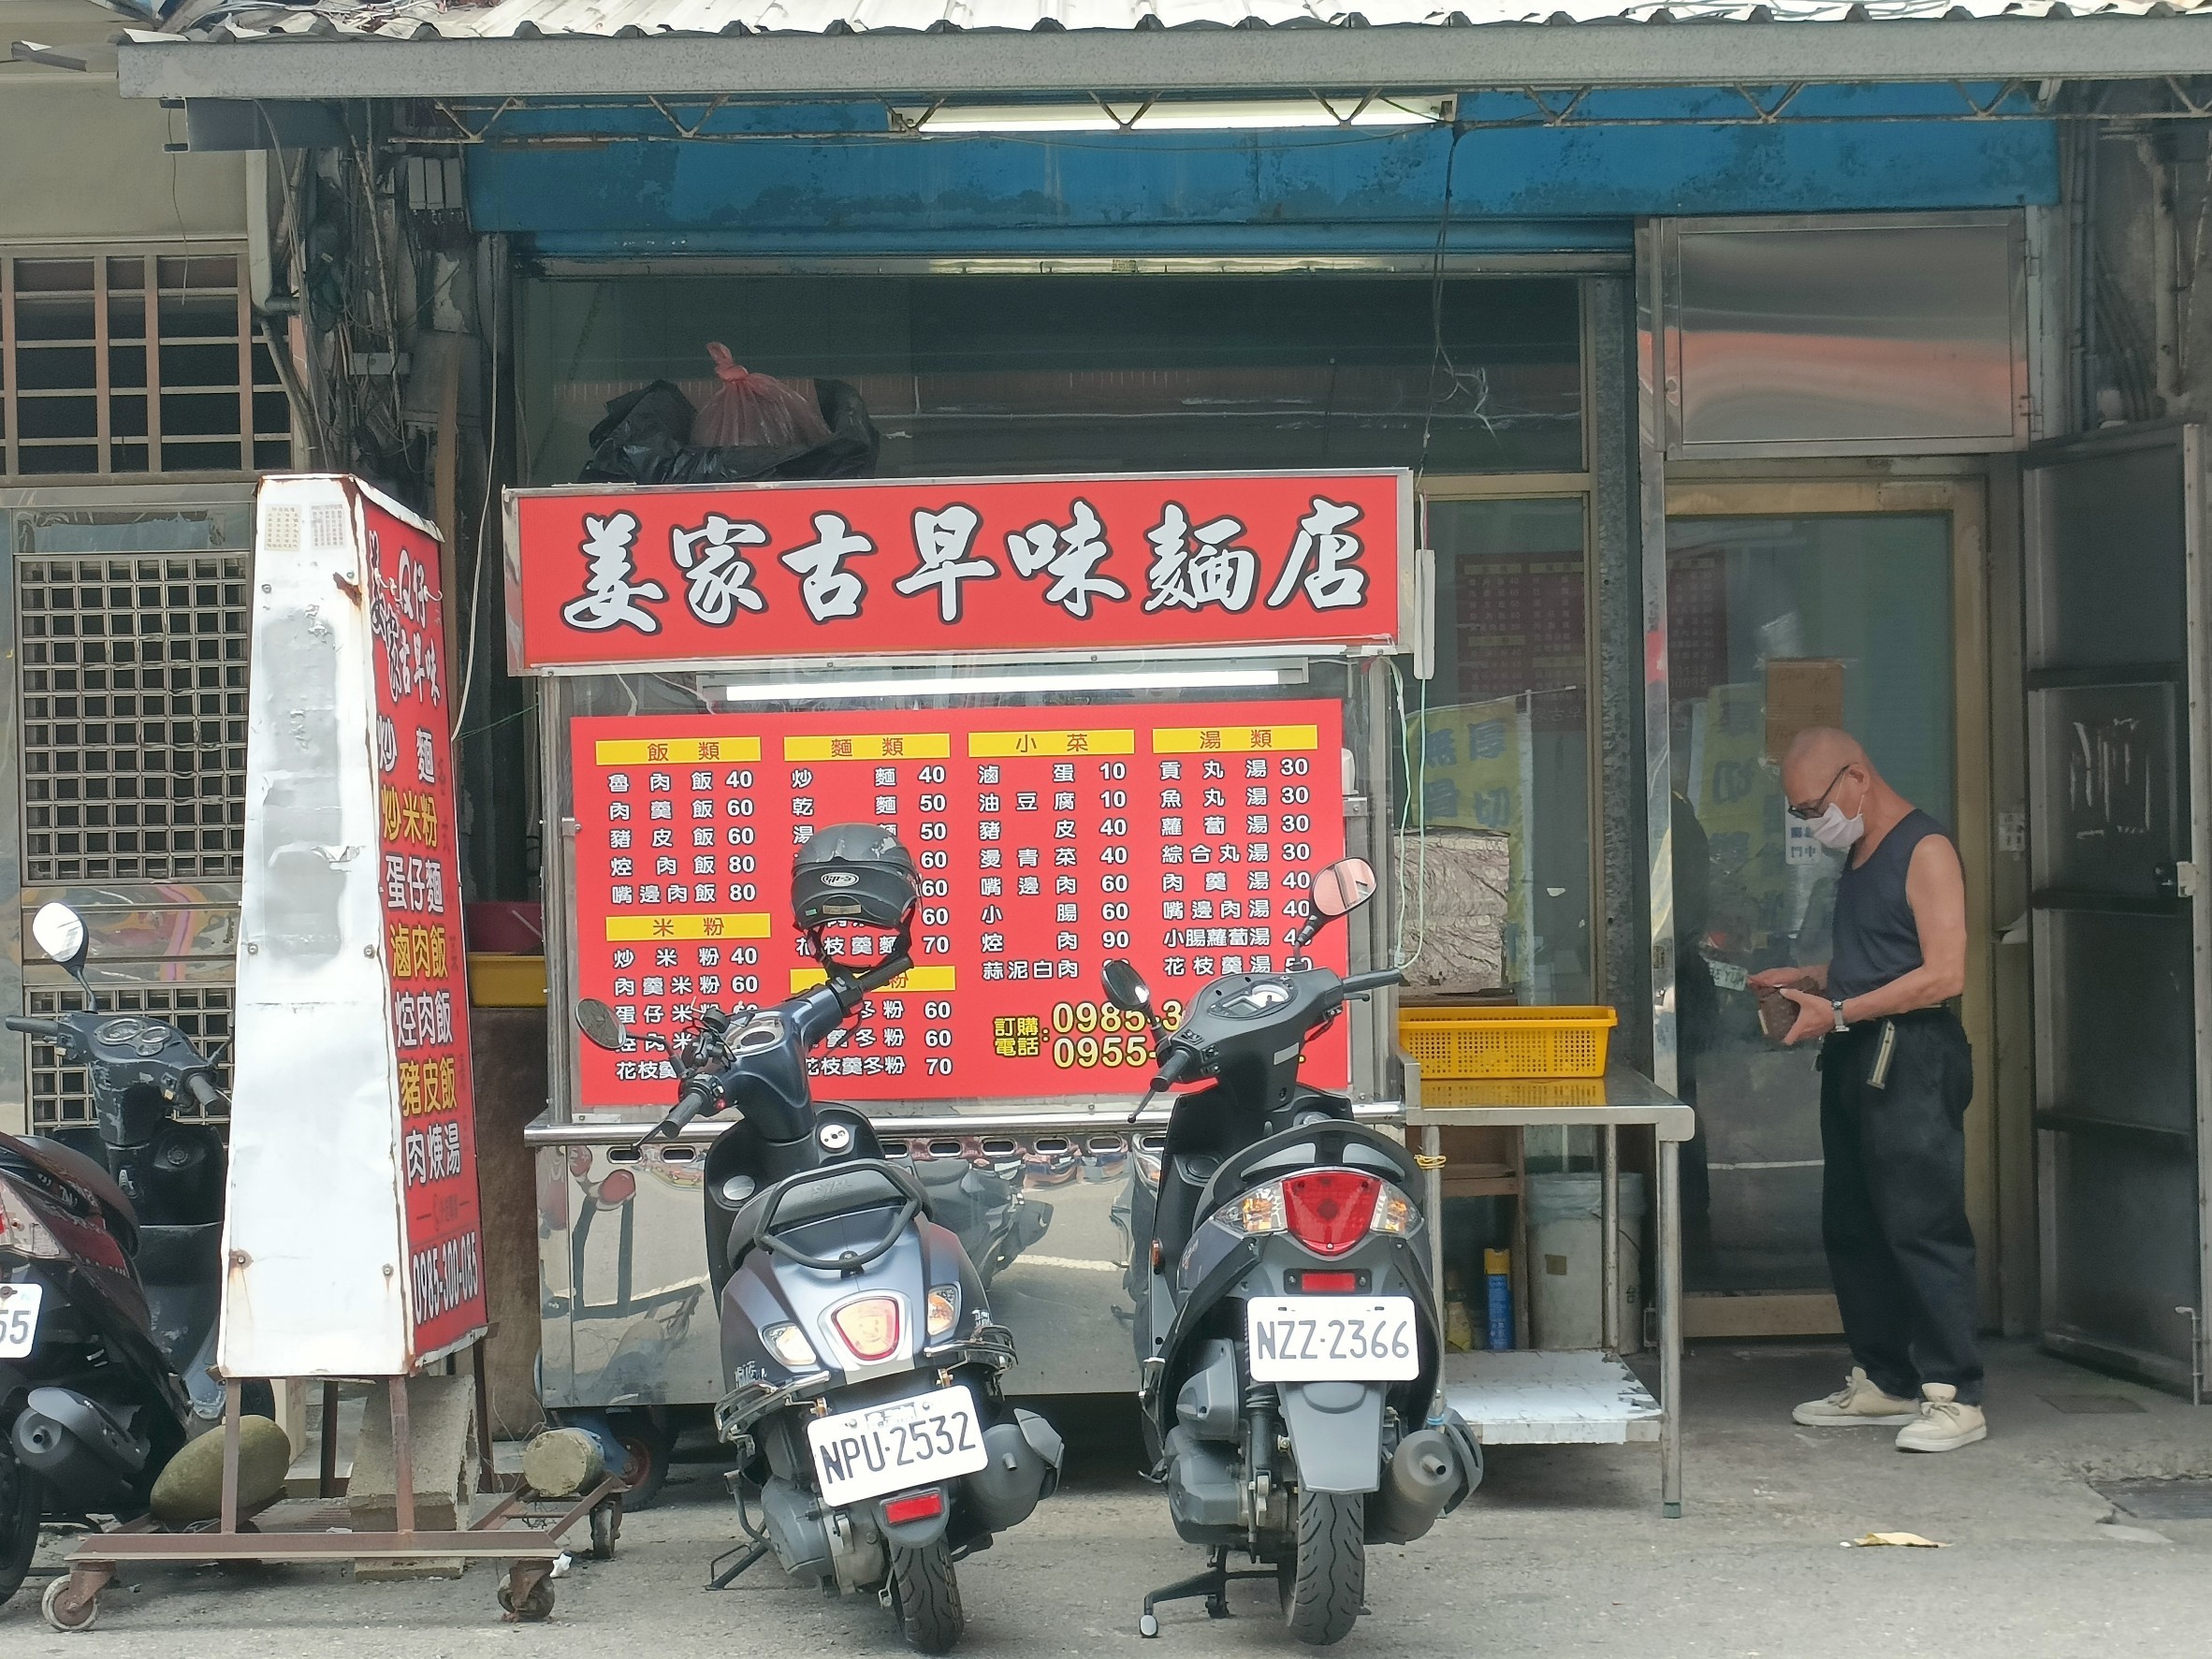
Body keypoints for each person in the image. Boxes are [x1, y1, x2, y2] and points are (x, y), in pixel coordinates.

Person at [1750, 727, 1983, 1453]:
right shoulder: (1859, 854)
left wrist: (1843, 1009)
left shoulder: (1926, 849)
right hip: (1854, 1053)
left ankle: (1954, 1391)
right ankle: (1884, 1377)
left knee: (1922, 1222)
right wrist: (1811, 980)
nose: (1812, 822)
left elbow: (1945, 973)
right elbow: (1881, 954)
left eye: (1813, 805)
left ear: (1857, 776)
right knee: (1852, 1223)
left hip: (1911, 1055)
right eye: (1800, 813)